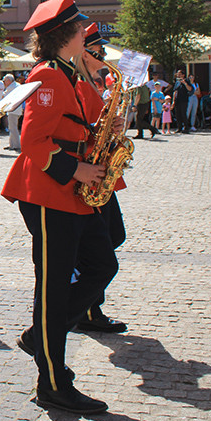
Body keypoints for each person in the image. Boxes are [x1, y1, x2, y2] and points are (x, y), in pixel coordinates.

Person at [2, 0, 117, 415]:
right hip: (49, 194)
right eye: (80, 28)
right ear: (67, 34)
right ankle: (52, 381)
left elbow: (74, 125)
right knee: (51, 290)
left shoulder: (69, 73)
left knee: (103, 265)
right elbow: (34, 141)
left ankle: (41, 335)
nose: (86, 34)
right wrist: (76, 170)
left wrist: (105, 127)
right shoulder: (48, 75)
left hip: (69, 194)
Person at [73, 23, 128, 334]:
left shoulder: (93, 81)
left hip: (100, 171)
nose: (104, 55)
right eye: (99, 51)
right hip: (88, 174)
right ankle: (86, 308)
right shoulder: (78, 83)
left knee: (112, 237)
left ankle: (88, 306)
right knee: (101, 246)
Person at [171, 70, 191, 134]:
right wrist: (173, 101)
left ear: (183, 75)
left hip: (184, 100)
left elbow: (190, 89)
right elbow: (175, 91)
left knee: (183, 114)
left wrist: (185, 83)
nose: (178, 75)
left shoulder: (187, 81)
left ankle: (186, 128)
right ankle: (179, 128)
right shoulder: (177, 82)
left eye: (180, 74)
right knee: (177, 114)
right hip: (177, 100)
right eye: (177, 74)